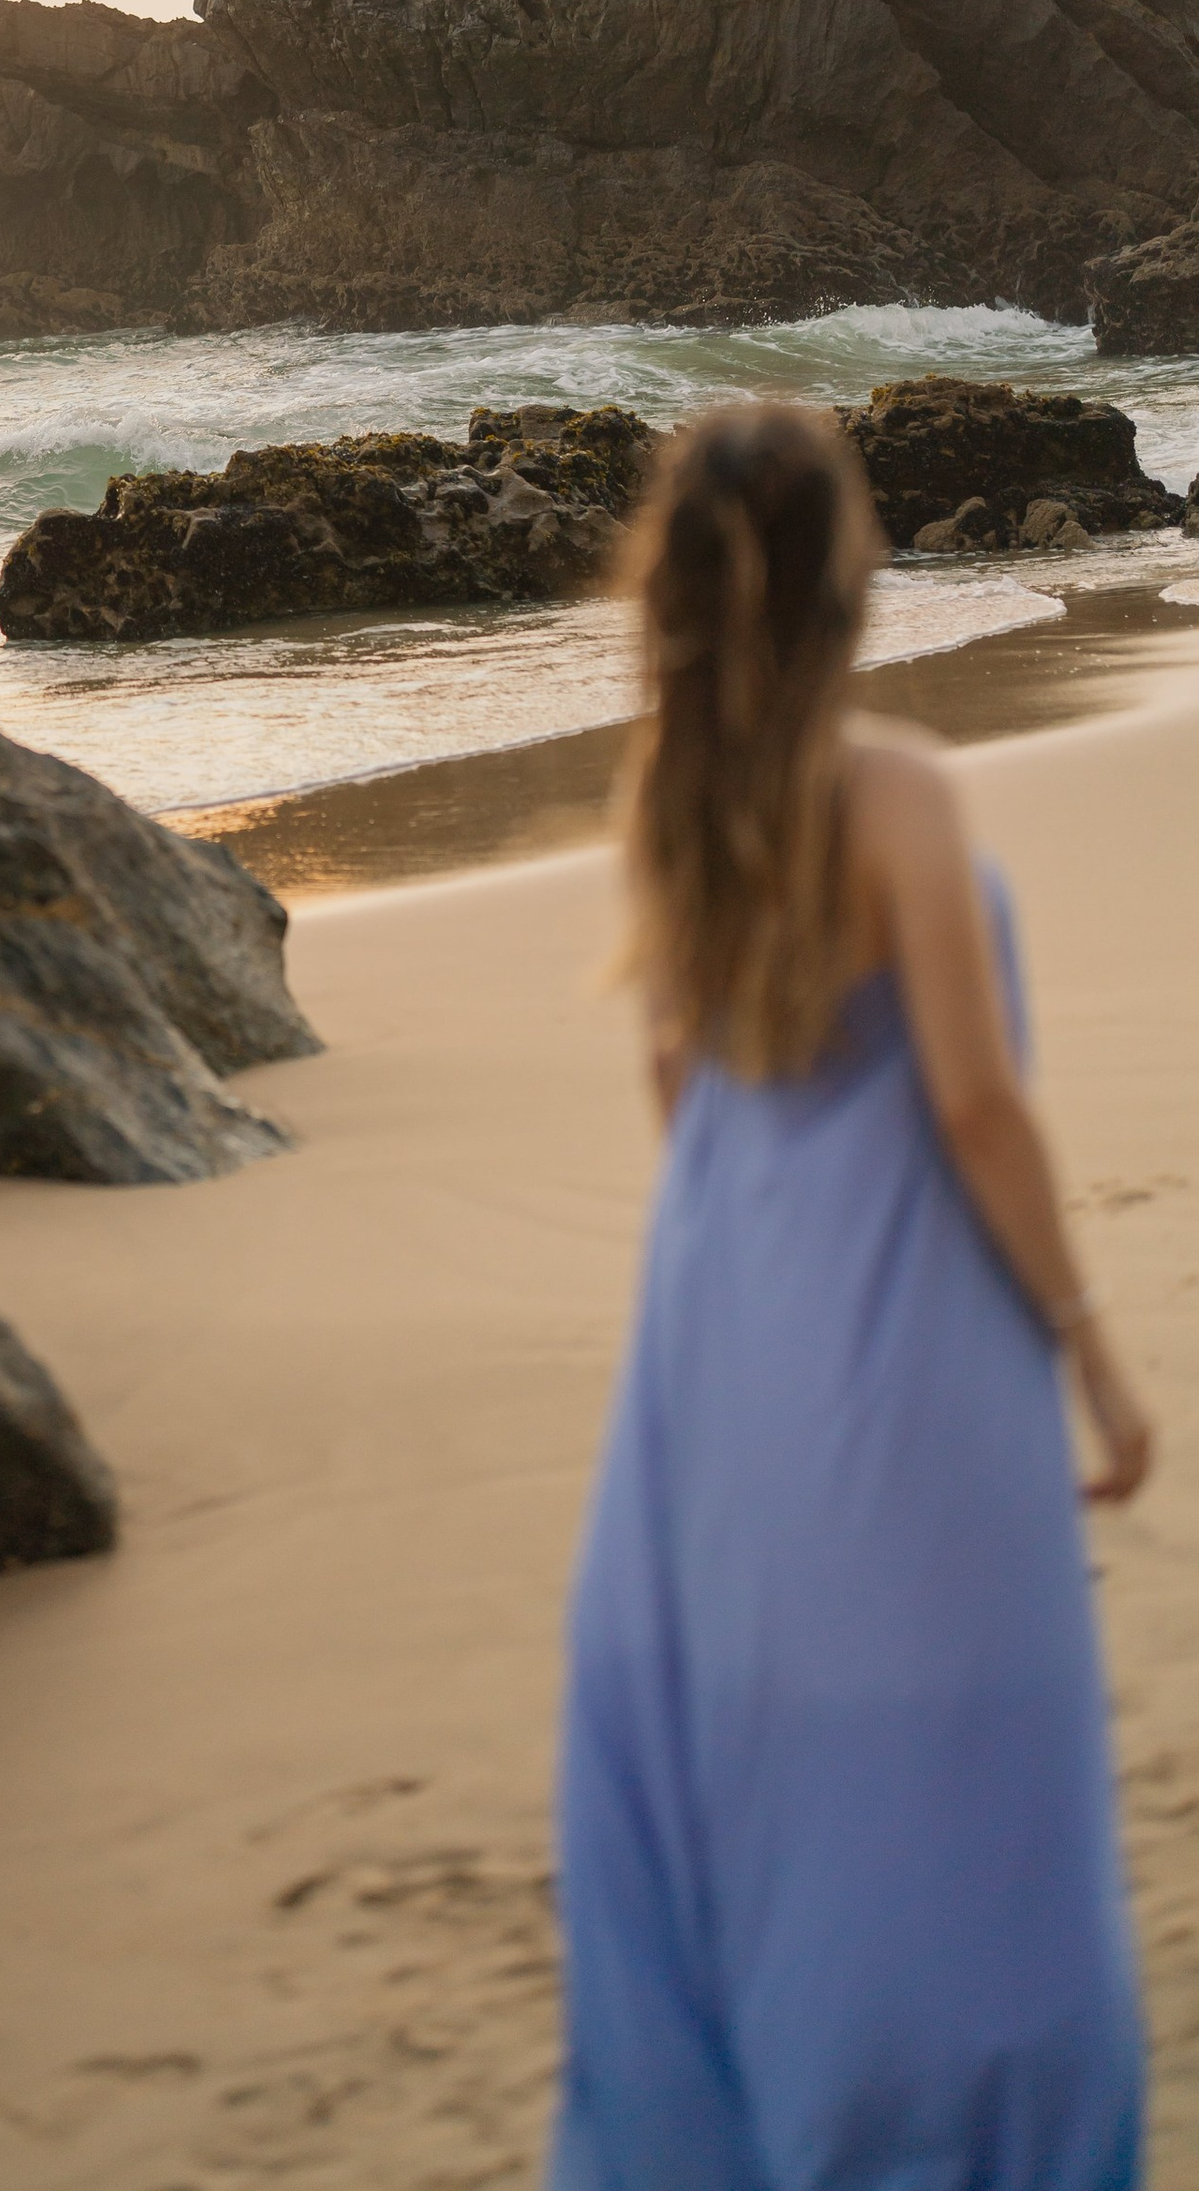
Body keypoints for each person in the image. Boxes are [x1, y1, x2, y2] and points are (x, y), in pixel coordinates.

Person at [548, 398, 1153, 2191]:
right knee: (971, 1772)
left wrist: (752, 1276)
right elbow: (973, 1104)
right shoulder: (893, 792)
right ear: (844, 573)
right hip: (910, 1343)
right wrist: (1093, 1351)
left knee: (767, 1767)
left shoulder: (670, 787)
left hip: (724, 1325)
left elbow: (679, 1086)